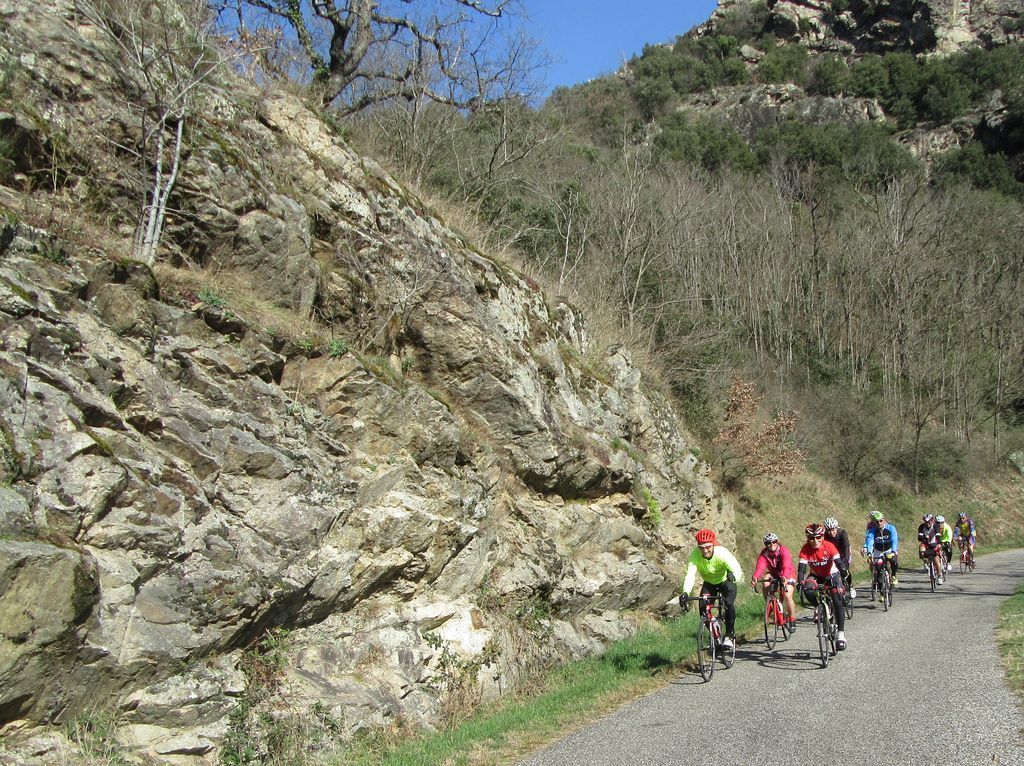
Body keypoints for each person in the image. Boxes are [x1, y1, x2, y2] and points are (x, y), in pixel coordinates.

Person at [680, 529, 743, 650]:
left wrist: (733, 577)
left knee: (729, 603)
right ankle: (715, 630)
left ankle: (729, 635)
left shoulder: (722, 553)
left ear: (713, 544)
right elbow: (690, 575)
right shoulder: (695, 555)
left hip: (726, 581)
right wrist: (686, 592)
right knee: (703, 608)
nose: (705, 550)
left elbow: (736, 568)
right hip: (709, 583)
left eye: (708, 547)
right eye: (701, 547)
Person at [798, 523, 849, 650]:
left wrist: (843, 571)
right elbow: (802, 569)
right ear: (807, 538)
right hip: (816, 575)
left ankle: (841, 635)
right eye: (811, 538)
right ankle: (818, 607)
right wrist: (800, 582)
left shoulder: (829, 546)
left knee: (838, 602)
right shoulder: (805, 549)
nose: (815, 541)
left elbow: (838, 562)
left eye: (818, 537)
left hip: (832, 574)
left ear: (822, 537)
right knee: (808, 590)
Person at [750, 532, 798, 633]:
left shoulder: (784, 551)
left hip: (788, 573)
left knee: (787, 595)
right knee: (765, 581)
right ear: (765, 545)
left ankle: (792, 619)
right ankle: (770, 604)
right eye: (768, 543)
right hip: (774, 574)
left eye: (774, 542)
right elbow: (760, 567)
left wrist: (784, 577)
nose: (772, 545)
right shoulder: (764, 554)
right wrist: (755, 577)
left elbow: (786, 565)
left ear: (777, 542)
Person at [863, 510, 900, 589]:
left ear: (884, 520)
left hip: (889, 548)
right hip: (878, 550)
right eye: (876, 521)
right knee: (876, 566)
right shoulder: (871, 529)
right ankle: (877, 581)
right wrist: (869, 552)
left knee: (894, 561)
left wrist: (894, 551)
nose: (879, 523)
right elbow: (869, 541)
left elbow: (894, 540)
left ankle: (893, 575)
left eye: (881, 521)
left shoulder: (891, 528)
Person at [824, 517, 855, 599]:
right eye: (829, 530)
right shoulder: (825, 536)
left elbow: (846, 548)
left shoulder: (842, 533)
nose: (831, 532)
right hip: (833, 554)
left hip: (843, 552)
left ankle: (850, 586)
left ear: (836, 527)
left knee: (845, 569)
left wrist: (846, 560)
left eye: (833, 529)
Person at [917, 513, 944, 584]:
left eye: (929, 522)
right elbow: (919, 538)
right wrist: (924, 537)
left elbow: (938, 536)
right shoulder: (921, 527)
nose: (927, 523)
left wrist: (939, 544)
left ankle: (939, 576)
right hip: (926, 543)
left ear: (932, 521)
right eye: (925, 522)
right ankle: (925, 563)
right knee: (921, 548)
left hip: (934, 543)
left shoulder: (936, 526)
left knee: (936, 559)